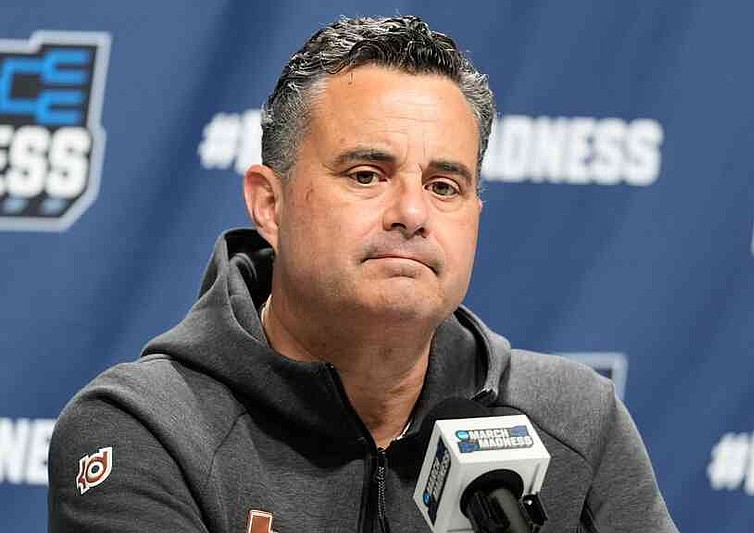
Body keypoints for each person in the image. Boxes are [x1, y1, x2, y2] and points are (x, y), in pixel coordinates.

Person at [48, 15, 677, 533]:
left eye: (444, 185)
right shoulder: (148, 428)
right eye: (366, 175)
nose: (411, 214)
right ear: (271, 204)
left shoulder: (574, 420)